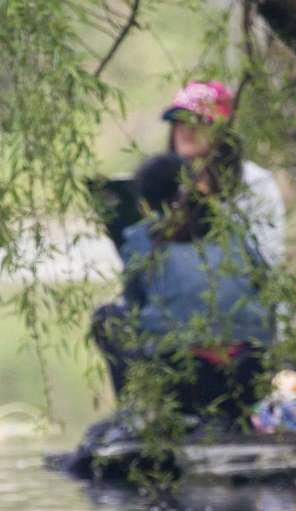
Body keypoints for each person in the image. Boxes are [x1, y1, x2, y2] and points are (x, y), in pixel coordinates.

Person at [91, 148, 273, 425]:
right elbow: (265, 288)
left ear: (146, 202)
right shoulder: (233, 230)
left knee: (108, 320)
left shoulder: (142, 238)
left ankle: (136, 416)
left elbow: (134, 306)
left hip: (187, 379)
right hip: (247, 373)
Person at [163, 80, 287, 266]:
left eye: (197, 120)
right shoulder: (163, 183)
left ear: (222, 130)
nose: (185, 129)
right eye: (178, 120)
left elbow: (268, 257)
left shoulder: (253, 182)